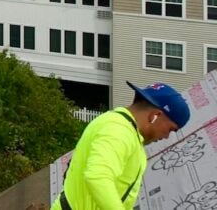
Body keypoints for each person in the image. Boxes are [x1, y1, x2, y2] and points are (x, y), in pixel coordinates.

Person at [52, 81, 189, 210]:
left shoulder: (121, 127)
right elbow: (97, 177)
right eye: (170, 129)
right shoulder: (119, 131)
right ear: (155, 115)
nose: (166, 137)